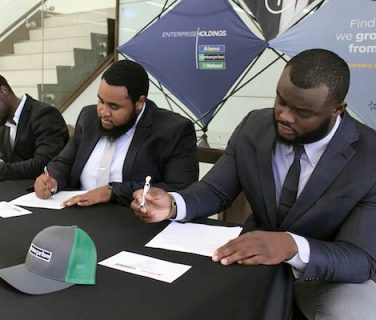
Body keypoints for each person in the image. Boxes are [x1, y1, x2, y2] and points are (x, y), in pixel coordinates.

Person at [131, 49, 376, 319]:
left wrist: (291, 246)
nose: (284, 116)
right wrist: (172, 204)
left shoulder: (370, 156)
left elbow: (361, 259)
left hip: (328, 277)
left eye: (302, 112)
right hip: (251, 262)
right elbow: (215, 190)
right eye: (281, 101)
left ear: (336, 109)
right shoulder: (254, 125)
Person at [34, 59, 199, 206]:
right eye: (100, 101)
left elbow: (180, 189)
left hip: (131, 221)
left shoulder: (174, 130)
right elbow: (64, 161)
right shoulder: (88, 116)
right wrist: (52, 178)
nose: (103, 112)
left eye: (114, 106)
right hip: (78, 212)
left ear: (140, 102)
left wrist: (112, 191)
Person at [0, 72, 69, 180]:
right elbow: (13, 158)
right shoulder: (3, 121)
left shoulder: (45, 114)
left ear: (3, 91)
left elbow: (43, 164)